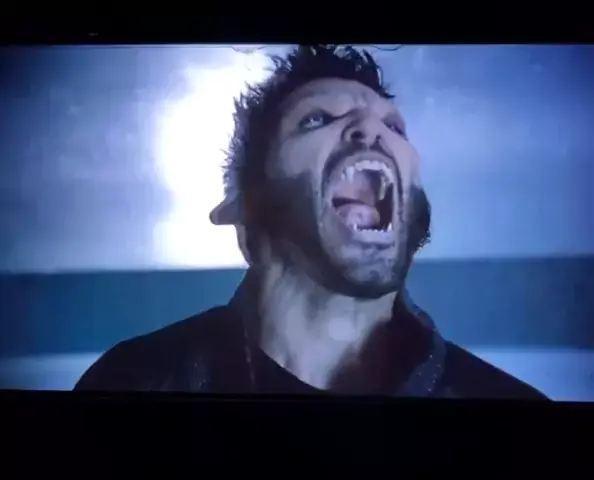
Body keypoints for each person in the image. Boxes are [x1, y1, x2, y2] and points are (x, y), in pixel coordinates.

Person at [75, 45, 547, 398]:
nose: (371, 128)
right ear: (246, 205)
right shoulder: (131, 381)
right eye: (317, 119)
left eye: (393, 126)